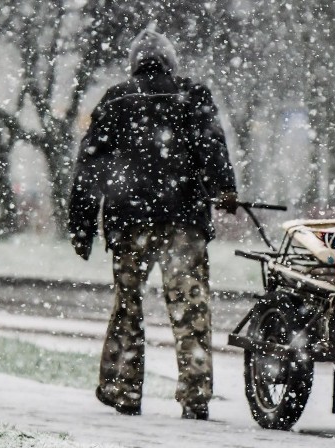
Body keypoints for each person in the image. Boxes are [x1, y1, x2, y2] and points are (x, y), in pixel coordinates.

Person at [68, 28, 237, 421]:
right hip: (184, 220)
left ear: (134, 64)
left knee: (129, 307)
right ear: (170, 63)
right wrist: (223, 188)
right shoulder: (192, 95)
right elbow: (212, 145)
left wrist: (81, 227)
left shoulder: (114, 100)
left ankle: (125, 390)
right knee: (191, 309)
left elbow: (88, 168)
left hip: (130, 223)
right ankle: (195, 395)